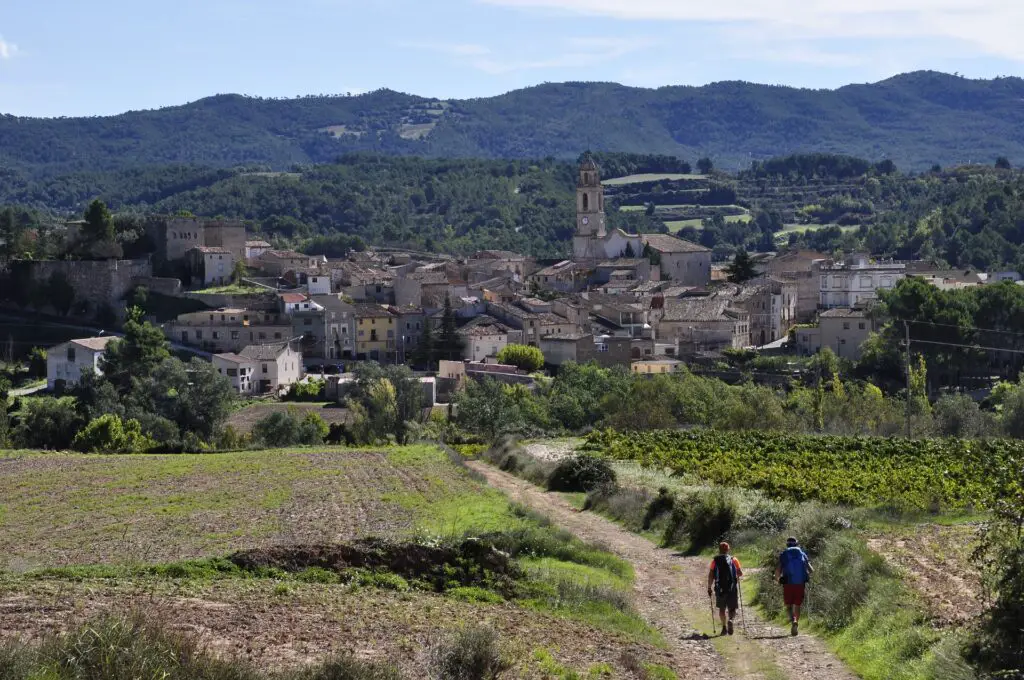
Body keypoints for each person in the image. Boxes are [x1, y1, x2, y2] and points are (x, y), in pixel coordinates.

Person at [775, 536, 813, 636]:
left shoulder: (784, 554)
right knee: (797, 604)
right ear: (796, 544)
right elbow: (811, 569)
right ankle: (796, 621)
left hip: (788, 583)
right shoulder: (802, 553)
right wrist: (807, 575)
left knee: (788, 606)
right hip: (800, 583)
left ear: (787, 544)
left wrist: (778, 580)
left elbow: (778, 570)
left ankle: (793, 621)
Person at [707, 541, 743, 635]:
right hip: (732, 588)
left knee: (722, 609)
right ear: (728, 549)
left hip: (720, 588)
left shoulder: (715, 561)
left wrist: (709, 587)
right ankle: (730, 620)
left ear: (719, 550)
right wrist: (737, 576)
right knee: (732, 608)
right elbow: (740, 573)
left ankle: (724, 628)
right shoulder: (734, 560)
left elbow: (711, 575)